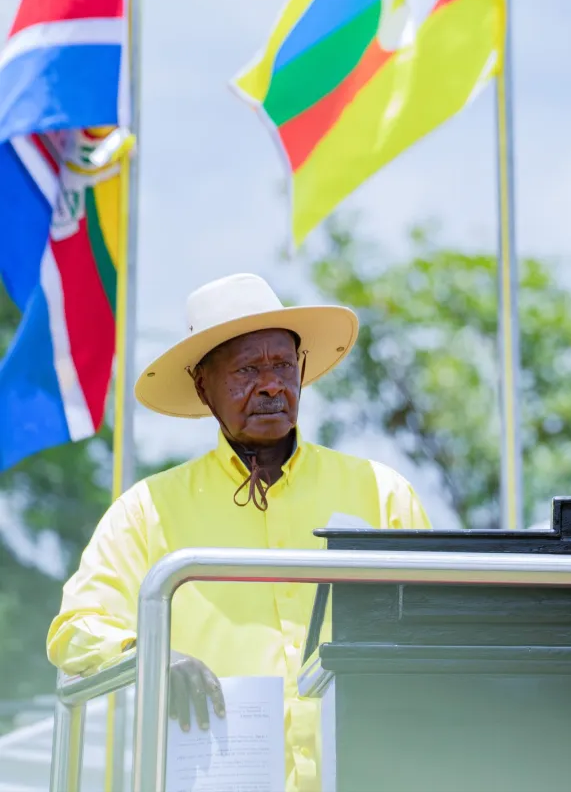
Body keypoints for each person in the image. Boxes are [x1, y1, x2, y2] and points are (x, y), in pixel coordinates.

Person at [47, 273, 431, 792]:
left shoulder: (382, 493)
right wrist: (153, 654)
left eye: (282, 365)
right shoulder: (147, 510)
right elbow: (76, 628)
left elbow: (438, 628)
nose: (272, 384)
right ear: (203, 387)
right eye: (249, 369)